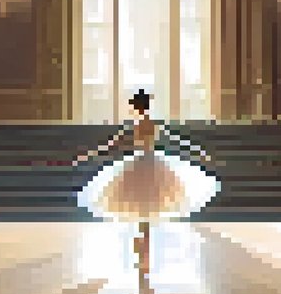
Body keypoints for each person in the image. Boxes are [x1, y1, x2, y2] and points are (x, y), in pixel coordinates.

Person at [74, 90, 217, 223]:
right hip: (149, 161)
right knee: (148, 199)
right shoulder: (149, 123)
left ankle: (144, 232)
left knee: (142, 199)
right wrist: (198, 151)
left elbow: (113, 144)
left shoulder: (138, 124)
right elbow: (175, 139)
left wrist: (90, 154)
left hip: (142, 162)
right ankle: (145, 232)